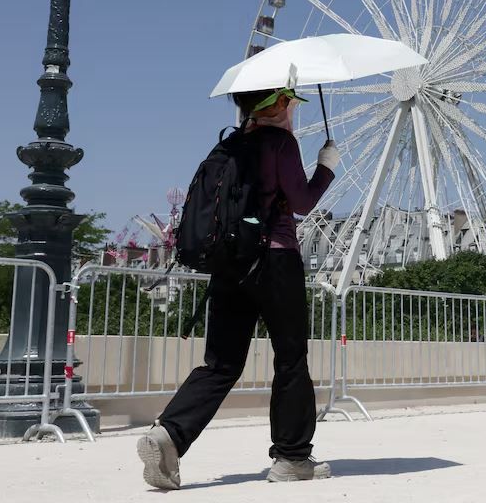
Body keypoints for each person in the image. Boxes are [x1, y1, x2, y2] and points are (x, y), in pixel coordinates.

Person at [136, 87, 339, 489]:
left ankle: (169, 434)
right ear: (279, 105)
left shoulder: (227, 146)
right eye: (292, 103)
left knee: (221, 363)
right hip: (275, 259)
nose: (293, 111)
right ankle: (292, 457)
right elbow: (302, 201)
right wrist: (326, 168)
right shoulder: (280, 143)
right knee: (291, 358)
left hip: (229, 265)